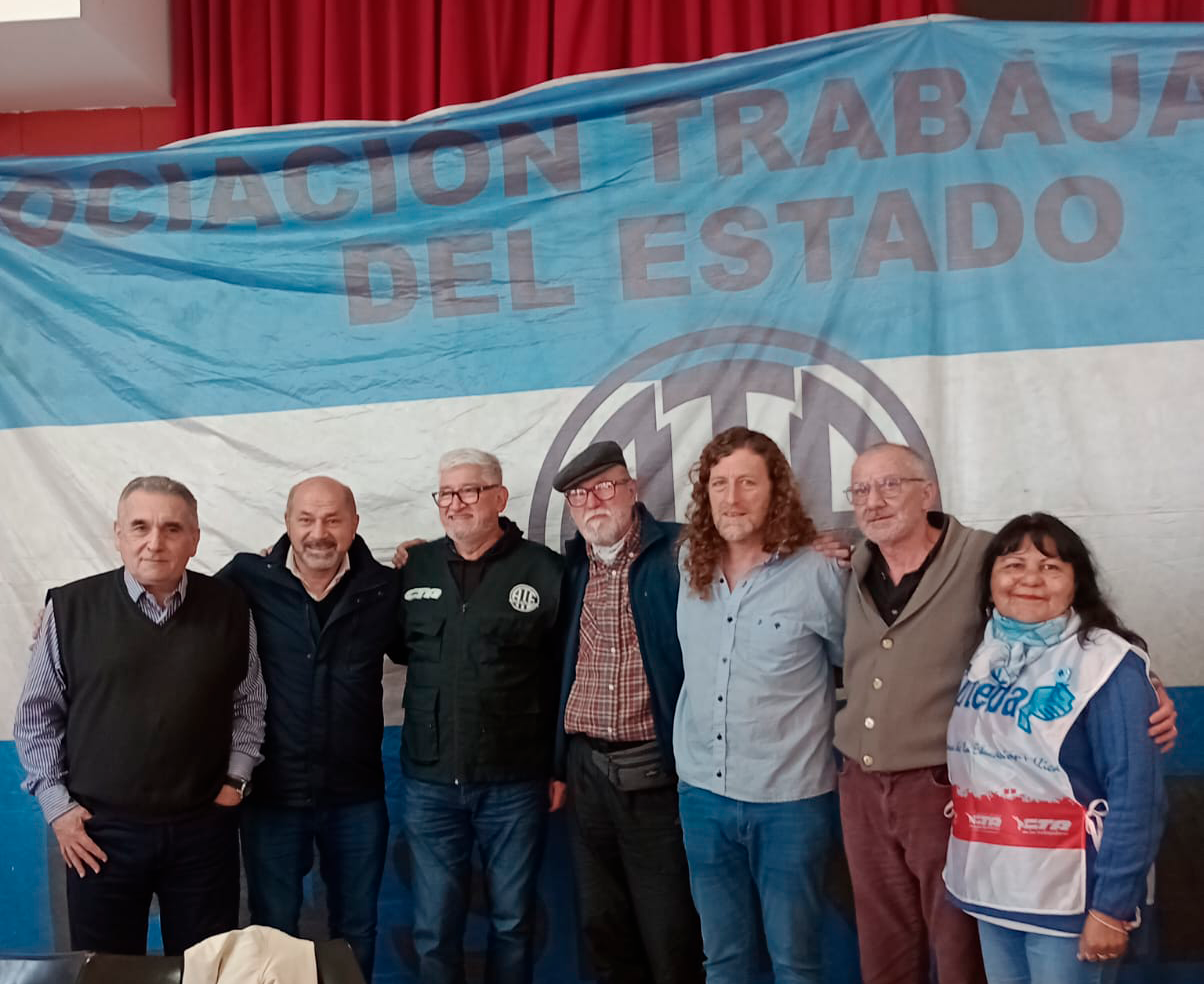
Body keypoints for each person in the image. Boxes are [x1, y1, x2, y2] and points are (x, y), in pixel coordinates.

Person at [836, 442, 1178, 984]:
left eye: (890, 485)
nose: (874, 500)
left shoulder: (979, 555)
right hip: (970, 856)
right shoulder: (852, 566)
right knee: (886, 947)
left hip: (992, 832)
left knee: (958, 956)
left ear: (928, 493)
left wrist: (1145, 689)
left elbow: (1134, 782)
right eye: (861, 490)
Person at [13, 475, 266, 955]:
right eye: (140, 526)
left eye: (172, 528)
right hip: (99, 833)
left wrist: (235, 782)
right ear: (118, 534)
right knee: (106, 972)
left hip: (203, 829)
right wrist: (59, 809)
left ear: (194, 539)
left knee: (205, 969)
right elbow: (36, 718)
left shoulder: (230, 606)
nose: (155, 542)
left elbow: (249, 702)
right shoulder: (70, 609)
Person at [943, 513, 1166, 983]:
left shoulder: (1108, 665)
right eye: (1013, 565)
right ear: (989, 582)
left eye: (1050, 567)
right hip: (993, 887)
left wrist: (1111, 908)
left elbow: (1138, 796)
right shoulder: (984, 653)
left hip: (1071, 898)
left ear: (1076, 583)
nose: (1030, 579)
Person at [673, 427, 847, 984]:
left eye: (747, 482)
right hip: (703, 794)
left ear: (776, 491)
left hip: (790, 801)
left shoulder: (819, 572)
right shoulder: (689, 563)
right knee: (723, 961)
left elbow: (857, 664)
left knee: (795, 962)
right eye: (719, 484)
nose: (732, 498)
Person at [217, 476, 403, 980]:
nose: (318, 533)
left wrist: (425, 560)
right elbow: (180, 607)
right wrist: (65, 613)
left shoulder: (384, 588)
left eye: (332, 519)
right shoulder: (246, 578)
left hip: (356, 795)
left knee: (356, 928)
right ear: (287, 523)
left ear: (355, 524)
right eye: (306, 519)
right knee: (273, 929)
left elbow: (430, 640)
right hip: (271, 794)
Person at [398, 448, 564, 984]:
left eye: (469, 491)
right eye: (446, 493)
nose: (455, 503)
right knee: (433, 929)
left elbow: (565, 676)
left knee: (513, 923)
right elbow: (397, 646)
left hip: (513, 782)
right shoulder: (416, 567)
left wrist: (558, 766)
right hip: (430, 781)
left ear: (499, 497)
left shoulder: (546, 570)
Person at [551, 440, 704, 984]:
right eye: (579, 495)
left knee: (671, 932)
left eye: (604, 487)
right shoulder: (569, 569)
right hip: (585, 773)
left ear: (632, 489)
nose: (593, 501)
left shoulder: (684, 553)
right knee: (604, 928)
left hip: (656, 772)